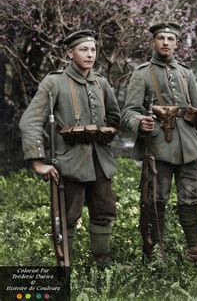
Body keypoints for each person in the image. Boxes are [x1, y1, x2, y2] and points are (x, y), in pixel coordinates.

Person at [121, 22, 197, 274]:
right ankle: (155, 250)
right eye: (161, 38)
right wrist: (140, 122)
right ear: (153, 42)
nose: (166, 42)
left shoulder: (186, 73)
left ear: (177, 43)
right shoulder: (142, 73)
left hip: (189, 148)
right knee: (157, 199)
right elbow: (127, 112)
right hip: (158, 148)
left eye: (170, 38)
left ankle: (195, 251)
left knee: (189, 198)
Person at [19, 30, 121, 265]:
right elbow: (30, 121)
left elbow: (114, 118)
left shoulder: (101, 83)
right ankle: (66, 265)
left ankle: (102, 261)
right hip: (68, 162)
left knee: (105, 210)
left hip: (100, 161)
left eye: (93, 50)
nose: (90, 55)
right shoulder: (54, 82)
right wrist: (38, 162)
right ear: (69, 53)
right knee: (67, 216)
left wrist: (106, 132)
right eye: (83, 49)